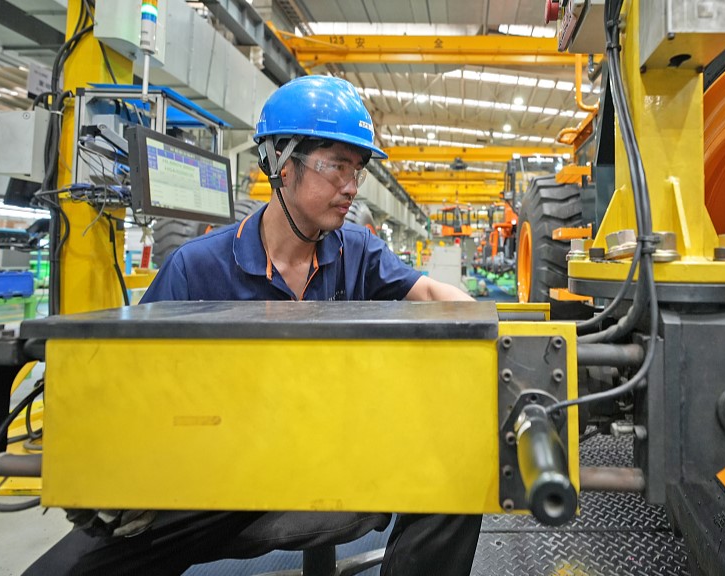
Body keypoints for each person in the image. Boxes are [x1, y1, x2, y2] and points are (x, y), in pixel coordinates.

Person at [24, 76, 481, 576]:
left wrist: (492, 333)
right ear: (280, 164)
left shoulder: (359, 252)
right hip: (222, 473)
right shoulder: (198, 267)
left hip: (331, 451)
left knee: (460, 466)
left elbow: (435, 295)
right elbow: (126, 377)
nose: (350, 186)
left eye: (358, 170)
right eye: (336, 167)